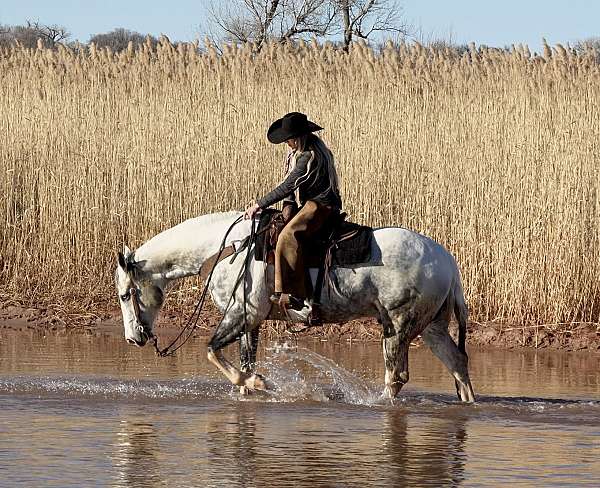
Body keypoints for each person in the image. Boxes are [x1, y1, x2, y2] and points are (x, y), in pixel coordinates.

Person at [244, 112, 342, 313]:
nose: (287, 143)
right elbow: (291, 189)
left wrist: (259, 204)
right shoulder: (301, 152)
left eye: (288, 139)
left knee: (289, 236)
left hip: (321, 206)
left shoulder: (309, 156)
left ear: (297, 137)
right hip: (309, 203)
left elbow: (289, 185)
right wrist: (288, 205)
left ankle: (294, 293)